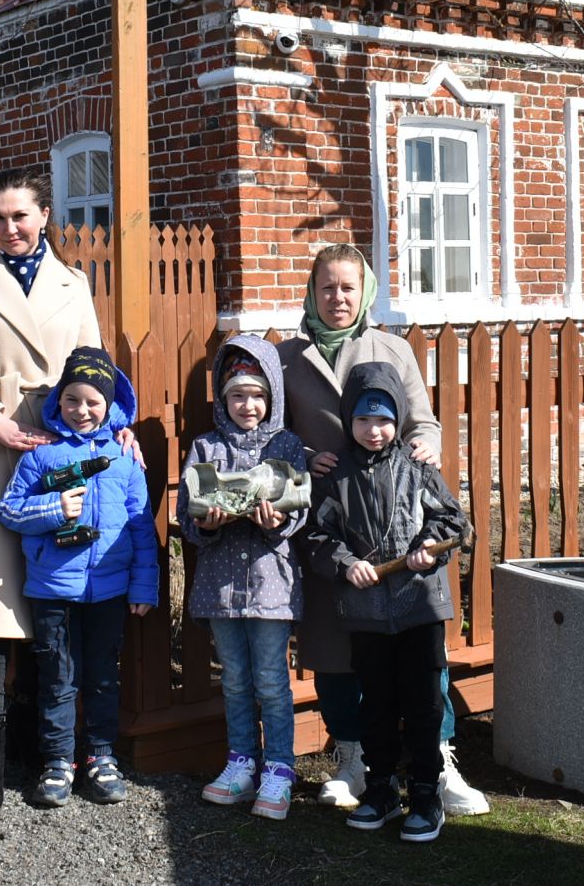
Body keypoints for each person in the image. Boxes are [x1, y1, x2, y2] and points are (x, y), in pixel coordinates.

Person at [0, 168, 135, 819]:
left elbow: (95, 366)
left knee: (53, 590)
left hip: (63, 447)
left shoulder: (74, 284)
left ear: (44, 214)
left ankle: (43, 745)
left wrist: (117, 428)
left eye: (21, 215)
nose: (10, 228)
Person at [278, 243, 488, 816]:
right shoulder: (287, 359)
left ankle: (438, 759)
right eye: (327, 287)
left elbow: (423, 420)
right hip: (333, 523)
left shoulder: (392, 349)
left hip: (398, 518)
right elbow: (273, 432)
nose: (337, 298)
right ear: (312, 291)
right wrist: (299, 454)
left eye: (348, 287)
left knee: (421, 653)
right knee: (336, 648)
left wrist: (426, 443)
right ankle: (352, 758)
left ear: (364, 291)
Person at [305, 362, 470, 843]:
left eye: (383, 419)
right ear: (347, 421)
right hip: (366, 614)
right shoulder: (336, 477)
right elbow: (317, 535)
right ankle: (380, 790)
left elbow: (454, 524)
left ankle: (424, 793)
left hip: (419, 607)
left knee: (422, 704)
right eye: (362, 420)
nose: (373, 430)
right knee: (374, 704)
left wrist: (428, 545)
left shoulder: (419, 469)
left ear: (398, 419)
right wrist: (343, 562)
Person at [0, 346, 158, 808]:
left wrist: (144, 586)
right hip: (54, 589)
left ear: (110, 404)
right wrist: (52, 510)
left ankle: (101, 757)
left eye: (92, 402)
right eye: (72, 400)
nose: (82, 410)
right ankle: (57, 762)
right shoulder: (42, 456)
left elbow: (141, 526)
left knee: (104, 677)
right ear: (58, 402)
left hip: (110, 589)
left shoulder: (126, 458)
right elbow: (9, 510)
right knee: (59, 677)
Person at [178, 335, 309, 821]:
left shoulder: (286, 445)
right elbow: (187, 515)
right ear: (222, 397)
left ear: (271, 397)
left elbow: (300, 507)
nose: (247, 405)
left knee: (272, 680)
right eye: (237, 395)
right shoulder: (206, 447)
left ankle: (279, 767)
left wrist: (279, 520)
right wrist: (205, 521)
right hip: (221, 586)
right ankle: (240, 762)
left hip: (272, 583)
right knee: (233, 680)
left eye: (257, 395)